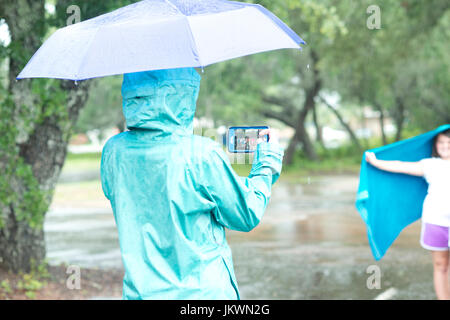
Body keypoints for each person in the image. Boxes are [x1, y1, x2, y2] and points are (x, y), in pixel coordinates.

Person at [100, 67, 284, 300]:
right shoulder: (201, 154)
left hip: (140, 293)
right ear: (183, 94)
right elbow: (245, 214)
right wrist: (266, 164)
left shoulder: (113, 151)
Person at [365, 129, 450, 300]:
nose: (445, 146)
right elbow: (400, 166)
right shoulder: (430, 164)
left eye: (448, 142)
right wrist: (375, 162)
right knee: (440, 265)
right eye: (441, 142)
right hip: (435, 222)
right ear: (435, 144)